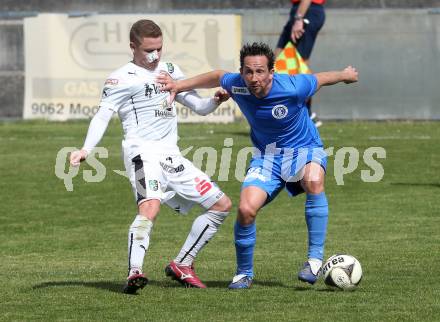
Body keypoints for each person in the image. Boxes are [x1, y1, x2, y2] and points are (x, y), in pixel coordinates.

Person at [157, 42, 358, 289]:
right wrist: (178, 85)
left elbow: (320, 78)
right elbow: (217, 76)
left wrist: (345, 75)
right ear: (242, 72)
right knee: (245, 210)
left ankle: (314, 260)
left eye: (260, 71)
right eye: (249, 71)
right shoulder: (237, 84)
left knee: (314, 181)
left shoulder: (293, 87)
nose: (254, 78)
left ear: (271, 72)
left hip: (305, 150)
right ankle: (244, 273)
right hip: (267, 158)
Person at [69, 19, 232, 294]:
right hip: (141, 152)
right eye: (148, 50)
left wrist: (215, 100)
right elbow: (103, 115)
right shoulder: (120, 78)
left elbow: (200, 108)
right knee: (150, 206)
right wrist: (86, 149)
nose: (155, 56)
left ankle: (183, 263)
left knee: (221, 205)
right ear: (133, 47)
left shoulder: (169, 70)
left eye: (159, 48)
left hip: (172, 156)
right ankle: (135, 271)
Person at [275, 0, 326, 127]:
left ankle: (306, 114)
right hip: (299, 11)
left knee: (299, 66)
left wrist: (299, 18)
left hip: (307, 11)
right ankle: (304, 114)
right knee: (277, 60)